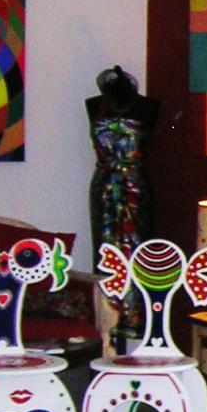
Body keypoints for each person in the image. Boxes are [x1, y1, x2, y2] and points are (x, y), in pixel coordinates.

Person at [87, 65, 159, 352]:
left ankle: (135, 325)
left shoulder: (148, 107)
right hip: (104, 188)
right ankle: (109, 324)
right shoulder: (94, 105)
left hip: (135, 188)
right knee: (105, 253)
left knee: (137, 252)